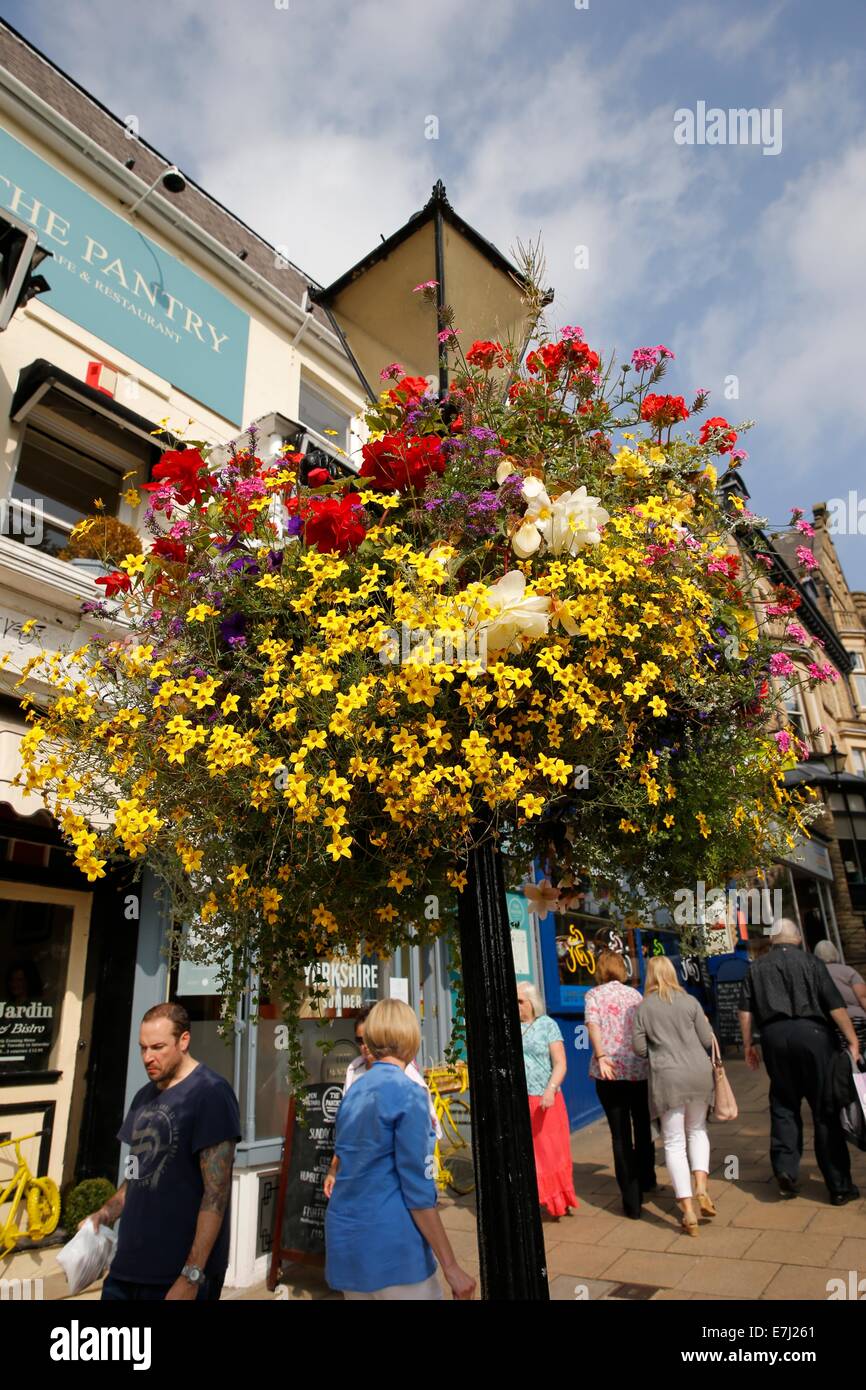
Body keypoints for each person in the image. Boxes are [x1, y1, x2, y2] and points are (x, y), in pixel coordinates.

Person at [324, 998, 475, 1301]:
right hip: (393, 1247)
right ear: (410, 1037)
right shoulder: (409, 1093)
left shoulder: (354, 1091)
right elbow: (418, 1190)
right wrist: (451, 1267)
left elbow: (346, 1157)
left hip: (347, 1243)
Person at [88, 1003, 241, 1300]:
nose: (148, 1057)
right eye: (143, 1048)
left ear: (184, 1041)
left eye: (158, 1047)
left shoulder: (211, 1093)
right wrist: (105, 1214)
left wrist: (193, 1274)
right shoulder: (143, 1097)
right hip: (126, 1270)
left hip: (176, 1276)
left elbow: (216, 1194)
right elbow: (135, 1175)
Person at [738, 919, 862, 1205]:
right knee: (824, 1109)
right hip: (814, 1036)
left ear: (772, 941)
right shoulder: (812, 963)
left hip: (774, 1037)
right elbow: (835, 1005)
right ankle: (839, 1185)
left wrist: (748, 1045)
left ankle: (785, 1170)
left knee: (784, 1104)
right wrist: (853, 1041)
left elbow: (745, 1011)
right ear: (797, 938)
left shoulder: (755, 967)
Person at [632, 956, 715, 1237]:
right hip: (699, 1074)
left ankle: (688, 1211)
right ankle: (701, 1186)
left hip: (668, 1078)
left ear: (650, 977)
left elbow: (640, 1049)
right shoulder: (690, 1001)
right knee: (697, 1130)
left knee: (674, 1142)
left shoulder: (643, 1008)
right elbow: (707, 1040)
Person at [323, 1006, 441, 1198]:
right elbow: (346, 1128)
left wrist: (425, 1192)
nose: (364, 1046)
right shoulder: (354, 1069)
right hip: (361, 1184)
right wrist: (333, 1169)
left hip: (388, 1186)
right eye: (359, 1040)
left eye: (368, 1039)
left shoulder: (409, 1080)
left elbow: (422, 1143)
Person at [585, 949, 656, 1219]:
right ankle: (647, 1178)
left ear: (600, 970)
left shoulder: (594, 995)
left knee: (620, 1135)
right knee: (641, 1123)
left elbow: (593, 1025)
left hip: (610, 1070)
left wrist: (602, 1054)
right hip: (638, 1068)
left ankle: (632, 1201)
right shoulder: (634, 995)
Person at [517, 981, 579, 1219]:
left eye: (521, 1001)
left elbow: (561, 1062)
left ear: (532, 1003)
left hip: (546, 1100)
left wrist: (551, 1089)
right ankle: (542, 1198)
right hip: (523, 1099)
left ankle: (560, 1200)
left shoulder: (547, 1025)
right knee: (533, 1155)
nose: (517, 1006)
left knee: (553, 1152)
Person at [813, 939, 866, 1052]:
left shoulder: (814, 975)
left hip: (832, 1023)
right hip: (857, 1020)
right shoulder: (848, 971)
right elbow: (863, 997)